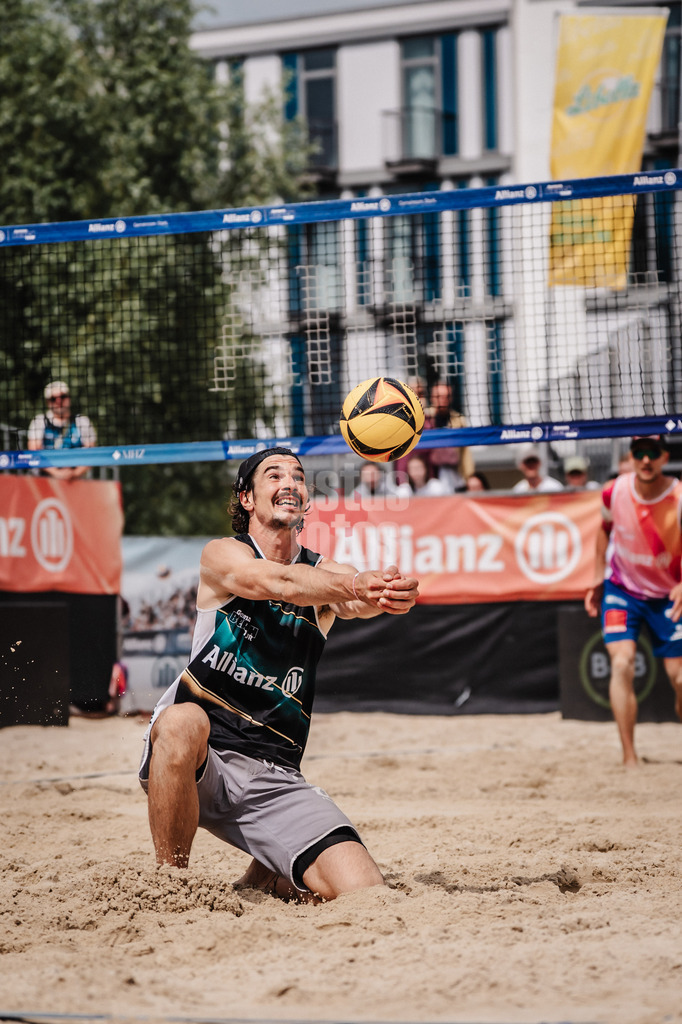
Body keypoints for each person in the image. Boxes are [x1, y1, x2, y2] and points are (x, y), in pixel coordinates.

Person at [139, 447, 419, 902]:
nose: (290, 482)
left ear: (306, 499)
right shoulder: (223, 554)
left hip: (274, 773)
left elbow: (356, 599)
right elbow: (280, 583)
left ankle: (267, 873)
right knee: (181, 720)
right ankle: (170, 885)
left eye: (298, 476)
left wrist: (387, 593)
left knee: (363, 889)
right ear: (247, 498)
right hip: (203, 758)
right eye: (274, 475)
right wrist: (354, 585)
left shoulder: (326, 572)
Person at [584, 435, 682, 767]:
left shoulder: (678, 496)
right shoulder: (614, 491)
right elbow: (604, 528)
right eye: (639, 453)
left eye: (652, 453)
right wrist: (597, 575)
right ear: (631, 456)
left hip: (668, 594)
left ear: (664, 457)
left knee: (680, 679)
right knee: (621, 663)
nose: (645, 460)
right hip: (622, 589)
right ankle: (629, 758)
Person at [27, 381, 96, 480]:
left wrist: (74, 474)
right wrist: (56, 473)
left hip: (76, 481)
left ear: (69, 398)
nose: (58, 401)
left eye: (62, 397)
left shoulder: (82, 421)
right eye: (53, 399)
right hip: (45, 481)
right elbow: (34, 453)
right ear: (48, 402)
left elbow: (92, 454)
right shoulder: (39, 421)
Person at [423, 381, 474, 492]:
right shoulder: (424, 418)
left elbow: (465, 452)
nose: (443, 399)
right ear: (432, 397)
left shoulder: (459, 420)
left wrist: (469, 476)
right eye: (439, 396)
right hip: (428, 475)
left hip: (454, 474)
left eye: (447, 396)